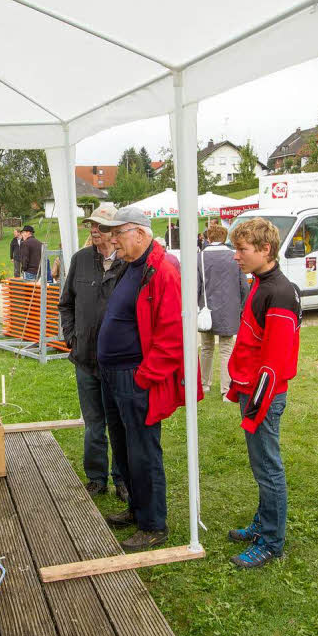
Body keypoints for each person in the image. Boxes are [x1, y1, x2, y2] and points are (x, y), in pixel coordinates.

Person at [96, 207, 195, 551]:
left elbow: (173, 335)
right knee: (124, 448)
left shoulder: (164, 270)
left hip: (134, 377)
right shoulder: (134, 266)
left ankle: (154, 524)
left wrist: (143, 377)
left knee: (143, 451)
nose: (112, 240)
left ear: (139, 233)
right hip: (115, 375)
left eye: (117, 233)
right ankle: (137, 510)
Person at [224, 218, 301, 567]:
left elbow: (274, 362)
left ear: (265, 249)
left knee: (268, 468)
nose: (236, 256)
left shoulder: (280, 292)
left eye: (242, 250)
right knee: (262, 465)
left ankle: (272, 540)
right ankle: (263, 523)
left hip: (263, 396)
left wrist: (255, 407)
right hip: (251, 391)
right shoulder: (260, 283)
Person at [58, 203, 128, 502]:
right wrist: (72, 336)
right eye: (91, 225)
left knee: (120, 423)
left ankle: (122, 479)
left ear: (116, 231)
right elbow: (66, 303)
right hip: (85, 358)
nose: (94, 230)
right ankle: (96, 478)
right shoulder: (80, 260)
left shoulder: (129, 264)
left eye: (100, 226)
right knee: (94, 423)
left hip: (118, 362)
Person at [197, 225, 249, 401]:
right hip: (229, 309)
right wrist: (243, 307)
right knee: (226, 349)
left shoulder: (200, 257)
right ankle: (226, 390)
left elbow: (196, 286)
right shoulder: (234, 256)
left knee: (206, 347)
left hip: (206, 310)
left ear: (208, 238)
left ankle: (204, 384)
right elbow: (244, 285)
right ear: (225, 236)